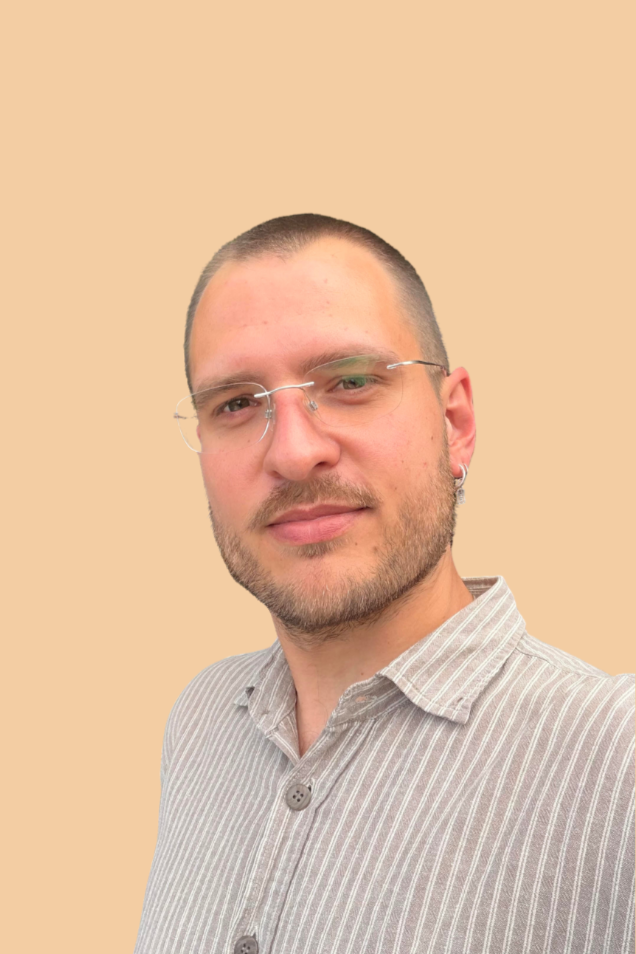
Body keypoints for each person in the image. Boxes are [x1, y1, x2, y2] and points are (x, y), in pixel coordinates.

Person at [135, 214, 634, 954]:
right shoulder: (202, 721)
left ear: (455, 423)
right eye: (237, 403)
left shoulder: (617, 762)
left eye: (351, 382)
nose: (294, 452)